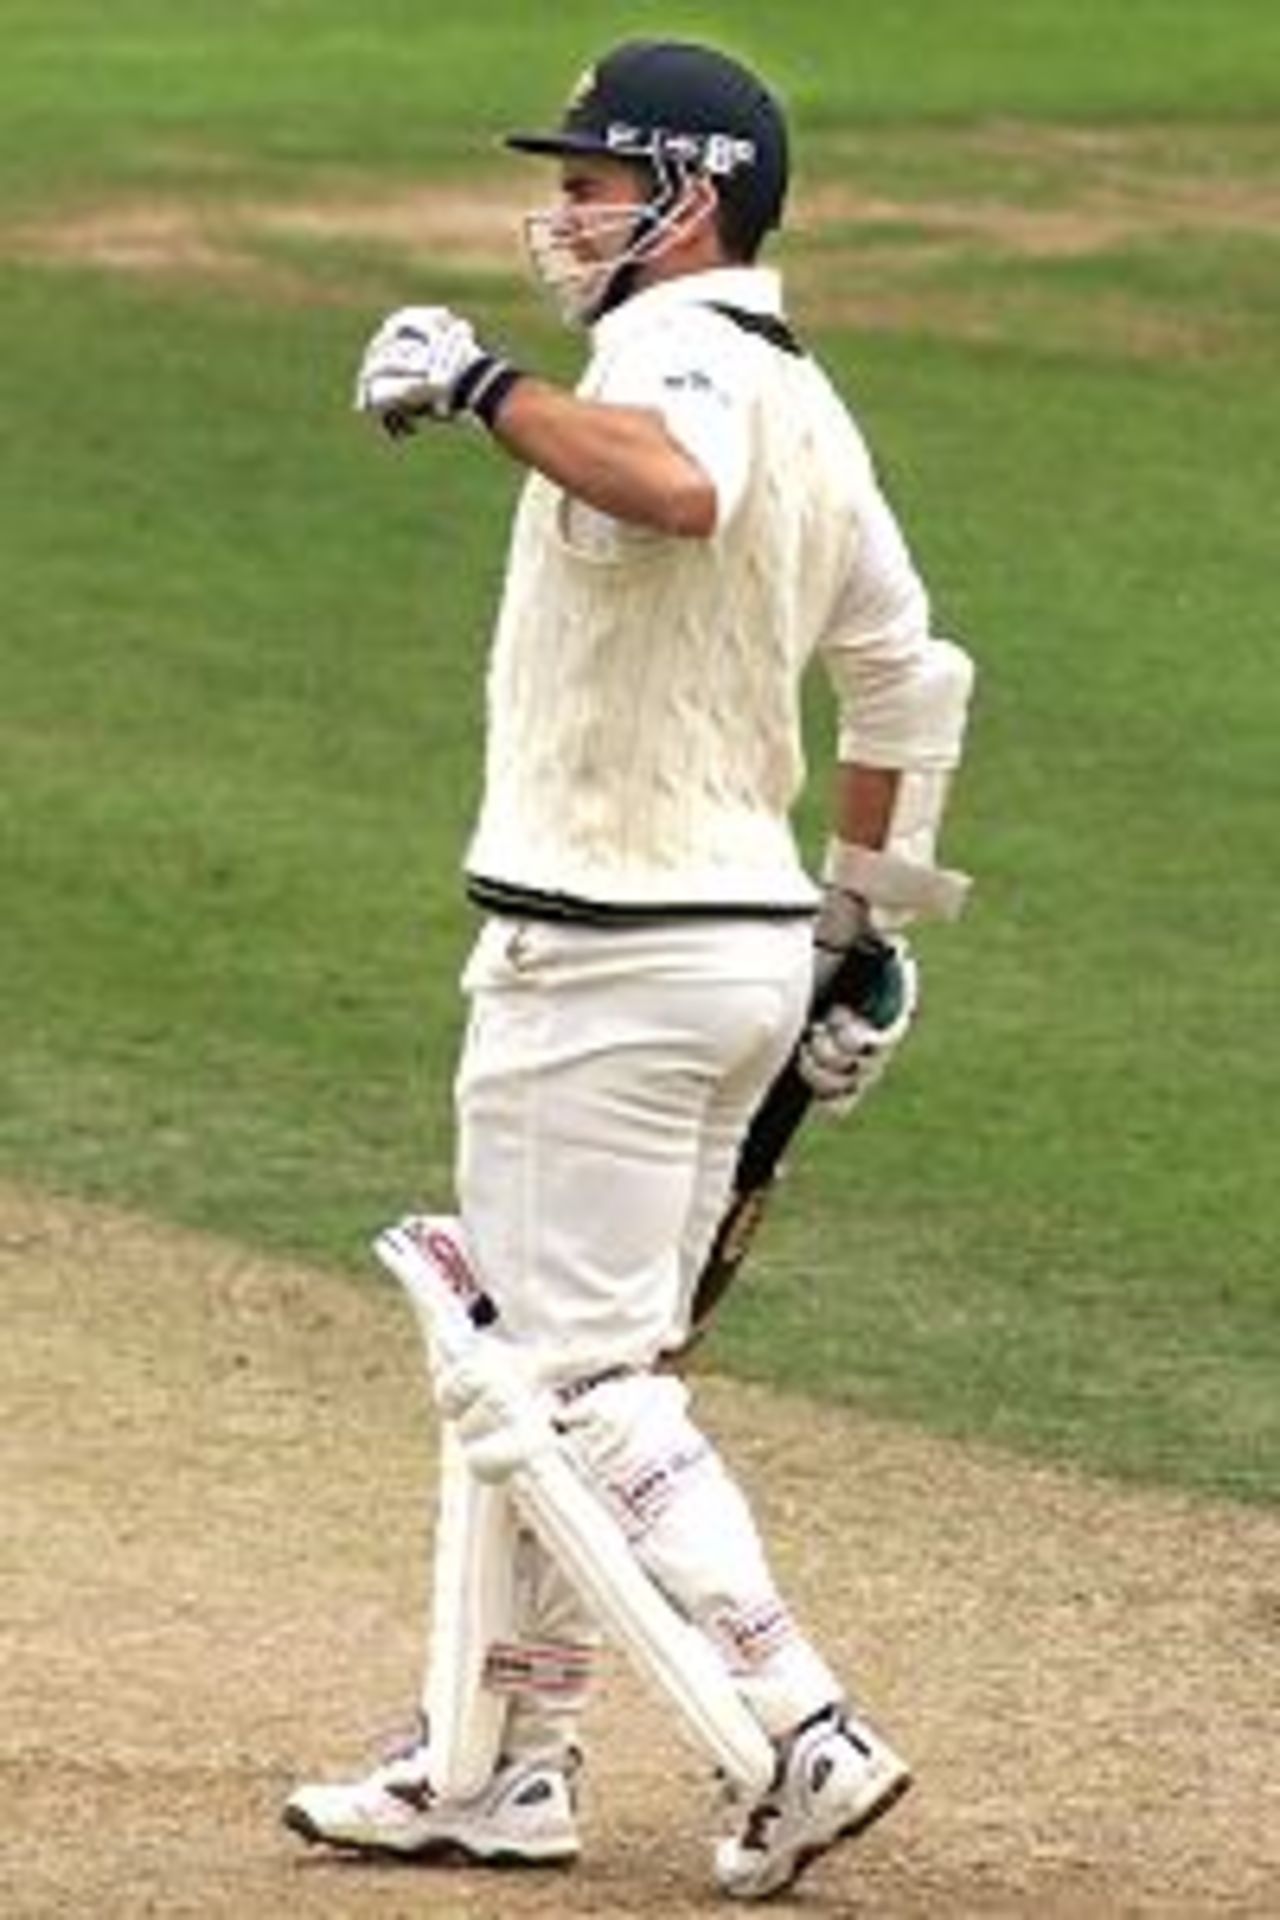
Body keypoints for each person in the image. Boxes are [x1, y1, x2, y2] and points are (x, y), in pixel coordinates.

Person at [284, 38, 974, 1903]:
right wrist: (861, 936)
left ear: (693, 197)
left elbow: (670, 487)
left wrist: (484, 384)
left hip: (602, 961)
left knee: (568, 1386)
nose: (569, 209)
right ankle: (508, 1766)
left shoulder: (672, 359)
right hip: (733, 952)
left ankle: (798, 1726)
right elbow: (915, 676)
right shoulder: (811, 398)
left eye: (599, 181)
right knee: (548, 1372)